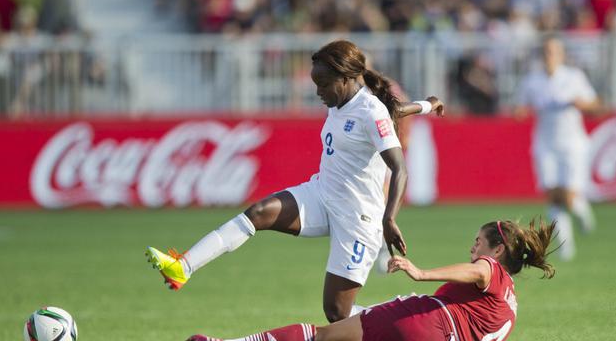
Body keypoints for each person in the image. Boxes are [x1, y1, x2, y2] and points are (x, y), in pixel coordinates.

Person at [146, 39, 444, 322]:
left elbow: (400, 168)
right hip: (321, 194)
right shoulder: (344, 98)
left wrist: (389, 219)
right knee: (259, 212)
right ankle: (182, 267)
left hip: (359, 216)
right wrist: (428, 105)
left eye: (323, 85)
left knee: (337, 314)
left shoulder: (370, 112)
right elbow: (397, 109)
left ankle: (407, 320)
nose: (318, 93)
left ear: (344, 79)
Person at [184, 218, 556, 341]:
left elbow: (477, 271)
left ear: (498, 249)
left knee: (322, 337)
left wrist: (421, 272)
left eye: (478, 241)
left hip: (425, 322)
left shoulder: (490, 269)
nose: (473, 249)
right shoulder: (511, 303)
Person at [515, 36, 600, 261]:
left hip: (572, 144)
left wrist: (583, 103)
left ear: (561, 55)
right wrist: (520, 111)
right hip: (545, 144)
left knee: (569, 196)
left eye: (553, 52)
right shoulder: (532, 81)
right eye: (545, 52)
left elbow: (595, 103)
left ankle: (582, 212)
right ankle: (566, 247)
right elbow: (521, 106)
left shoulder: (574, 77)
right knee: (553, 195)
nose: (548, 56)